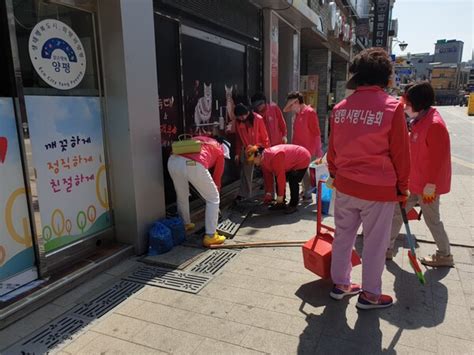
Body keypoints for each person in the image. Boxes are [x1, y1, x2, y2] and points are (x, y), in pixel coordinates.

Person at [327, 48, 410, 309]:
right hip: (379, 189)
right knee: (374, 244)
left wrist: (334, 175)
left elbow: (333, 149)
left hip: (345, 185)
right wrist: (403, 189)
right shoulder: (392, 108)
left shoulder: (339, 109)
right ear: (385, 77)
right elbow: (401, 155)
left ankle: (340, 284)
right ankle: (370, 294)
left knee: (343, 237)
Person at [387, 82, 453, 267]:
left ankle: (445, 255)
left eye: (408, 104)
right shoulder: (419, 121)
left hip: (427, 188)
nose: (406, 108)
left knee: (432, 220)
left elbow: (438, 160)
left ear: (419, 103)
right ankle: (387, 248)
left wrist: (431, 184)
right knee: (397, 212)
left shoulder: (434, 125)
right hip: (414, 181)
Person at [167, 136, 229, 247]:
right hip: (193, 164)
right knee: (213, 198)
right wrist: (215, 195)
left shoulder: (201, 138)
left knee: (182, 195)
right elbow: (217, 179)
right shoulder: (220, 150)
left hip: (173, 161)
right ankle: (211, 236)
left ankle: (185, 224)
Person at [246, 144, 311, 214]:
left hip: (302, 158)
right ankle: (281, 203)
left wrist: (280, 195)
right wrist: (269, 193)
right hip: (290, 161)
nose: (254, 164)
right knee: (279, 178)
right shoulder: (263, 159)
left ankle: (293, 205)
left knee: (293, 180)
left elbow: (281, 177)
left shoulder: (275, 156)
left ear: (258, 155)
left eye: (253, 161)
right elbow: (268, 178)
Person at [283, 91, 322, 201]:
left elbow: (316, 132)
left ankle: (308, 194)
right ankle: (306, 191)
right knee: (303, 173)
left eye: (292, 105)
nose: (291, 108)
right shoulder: (297, 114)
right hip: (299, 150)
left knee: (306, 173)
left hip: (309, 149)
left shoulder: (309, 112)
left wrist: (318, 151)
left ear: (296, 102)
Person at [233, 103, 270, 200]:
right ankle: (244, 194)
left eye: (243, 115)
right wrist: (237, 153)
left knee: (267, 169)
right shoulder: (238, 122)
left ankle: (270, 192)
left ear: (248, 112)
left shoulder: (258, 119)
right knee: (246, 171)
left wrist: (266, 150)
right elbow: (238, 139)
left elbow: (265, 137)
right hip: (248, 150)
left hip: (259, 147)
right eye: (239, 116)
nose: (242, 118)